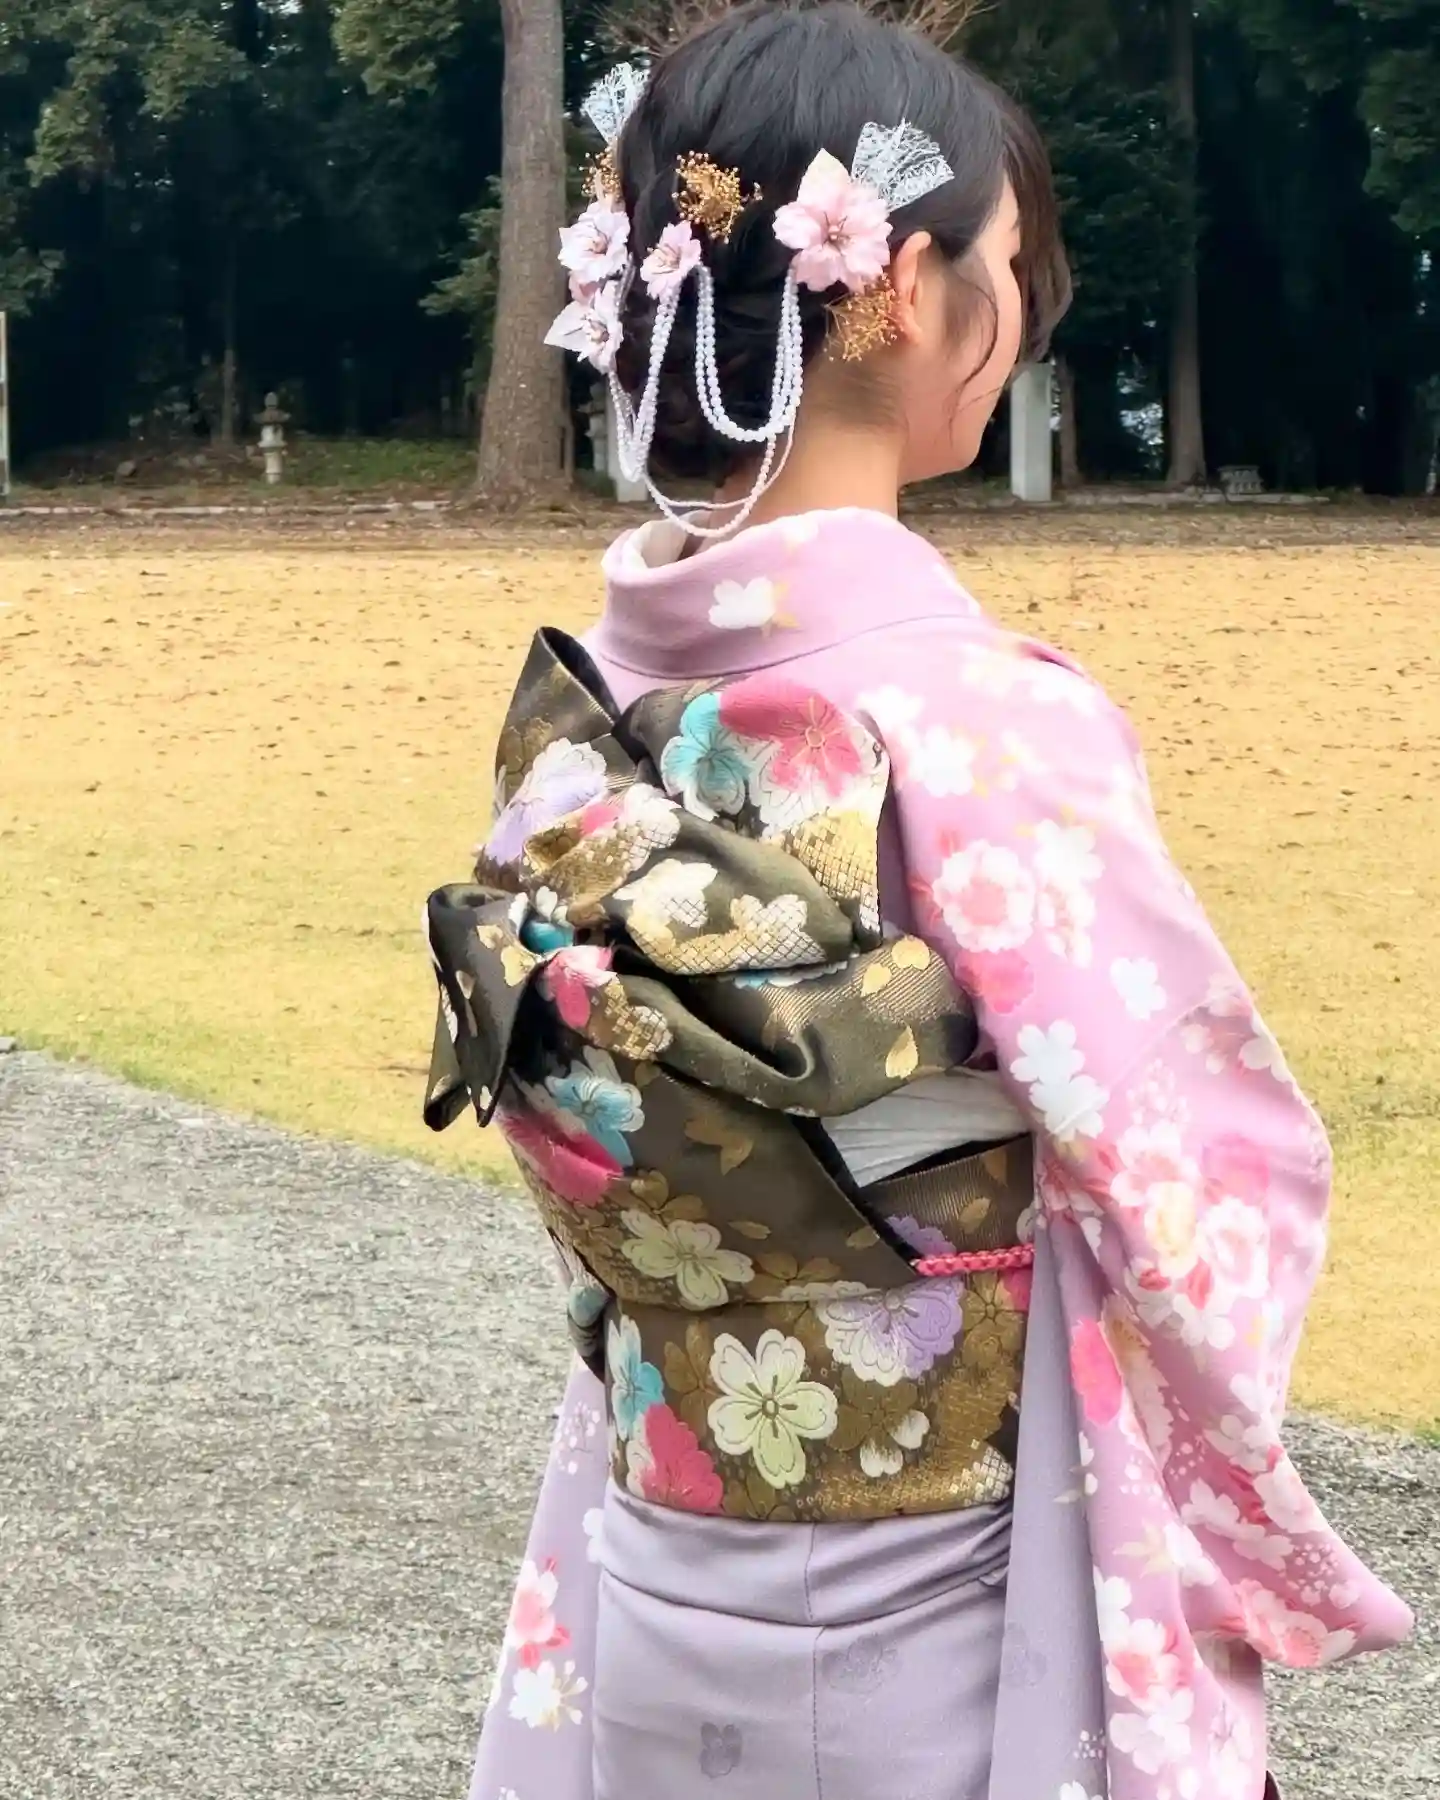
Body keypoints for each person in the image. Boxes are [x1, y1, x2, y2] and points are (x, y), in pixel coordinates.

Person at [422, 6, 1413, 1798]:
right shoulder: (970, 714)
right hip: (950, 1584)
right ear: (906, 288)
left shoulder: (590, 718)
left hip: (662, 1525)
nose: (1024, 304)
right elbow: (1190, 1157)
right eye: (1011, 261)